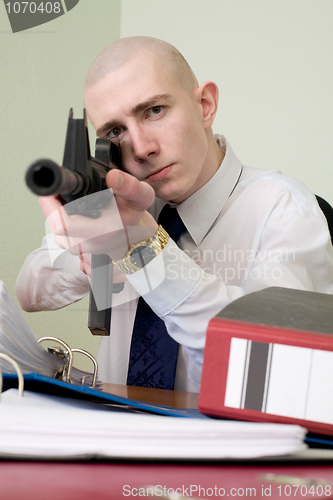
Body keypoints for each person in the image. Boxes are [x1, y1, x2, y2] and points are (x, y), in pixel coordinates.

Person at [16, 36, 333, 393]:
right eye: (115, 131)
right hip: (112, 438)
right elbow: (30, 288)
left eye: (154, 111)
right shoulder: (121, 206)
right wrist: (90, 256)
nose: (141, 148)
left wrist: (144, 250)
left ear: (206, 105)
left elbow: (264, 359)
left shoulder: (285, 208)